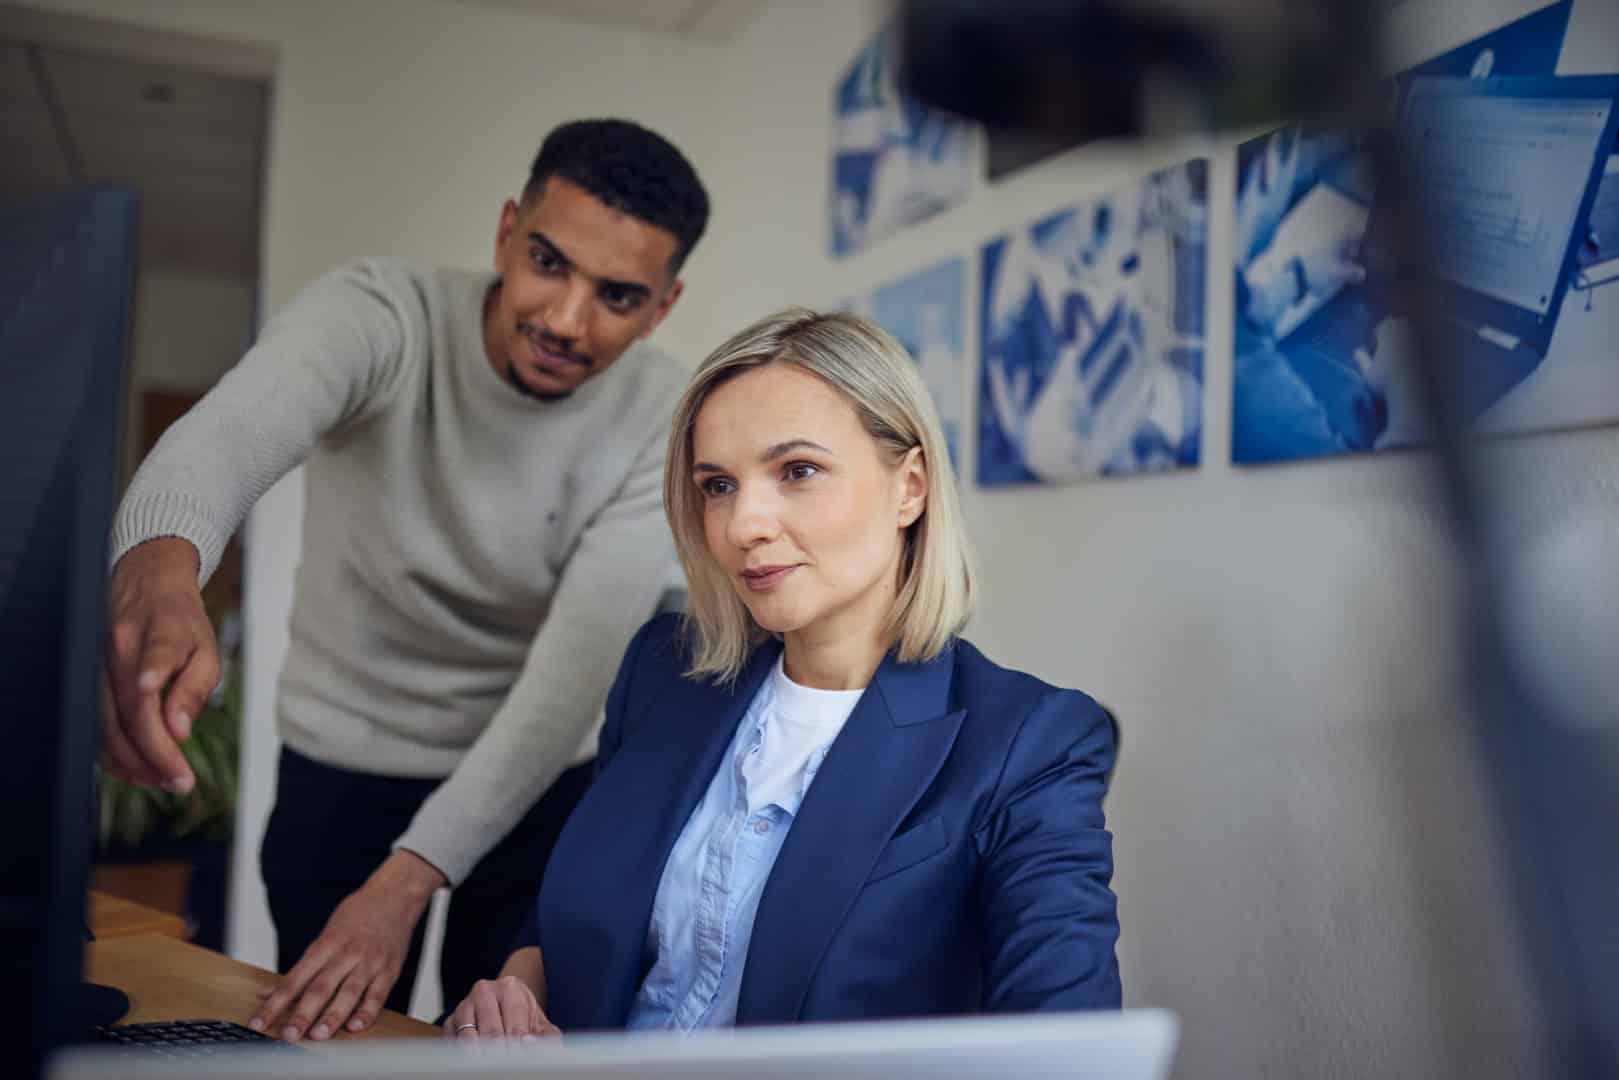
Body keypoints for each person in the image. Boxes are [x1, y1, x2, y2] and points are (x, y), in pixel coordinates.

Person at [99, 118, 710, 1042]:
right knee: (330, 1024)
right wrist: (160, 565)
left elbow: (567, 684)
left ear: (661, 307)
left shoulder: (663, 412)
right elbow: (232, 431)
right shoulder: (382, 313)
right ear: (507, 231)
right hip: (343, 752)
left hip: (529, 771)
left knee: (487, 1038)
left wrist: (406, 880)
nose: (563, 320)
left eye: (617, 297)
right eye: (547, 262)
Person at [443, 308, 1121, 1040]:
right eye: (717, 486)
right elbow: (573, 896)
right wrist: (515, 989)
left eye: (797, 471)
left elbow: (1065, 1045)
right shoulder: (663, 671)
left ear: (910, 488)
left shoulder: (1031, 741)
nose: (742, 526)